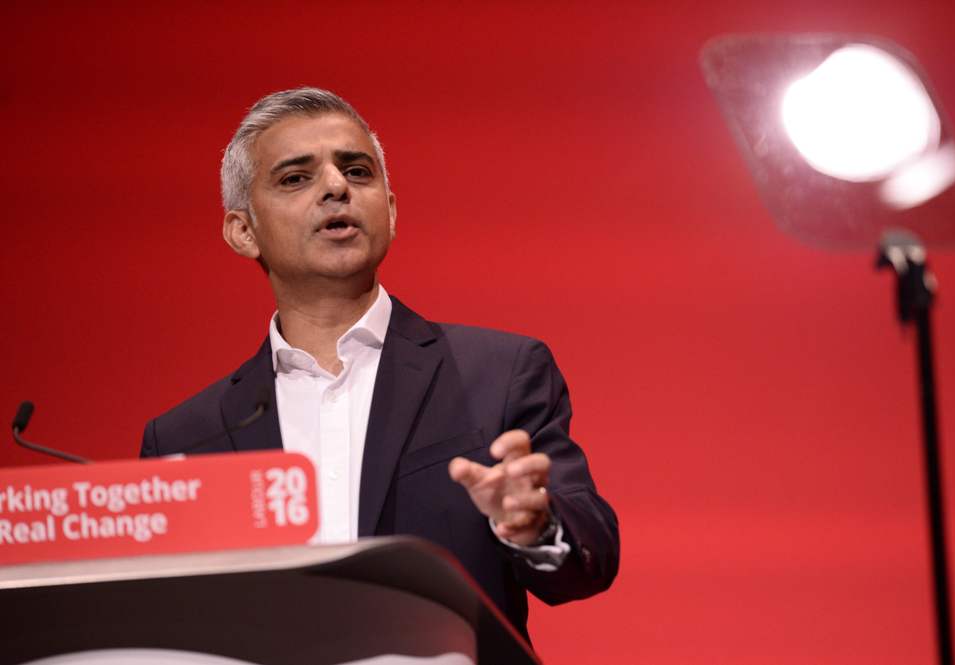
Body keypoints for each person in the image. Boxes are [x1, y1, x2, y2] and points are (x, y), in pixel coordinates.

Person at [139, 87, 619, 639]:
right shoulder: (187, 437)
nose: (336, 187)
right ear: (243, 231)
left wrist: (533, 525)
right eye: (296, 178)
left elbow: (590, 559)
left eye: (358, 171)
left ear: (389, 212)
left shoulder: (500, 374)